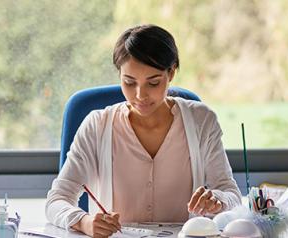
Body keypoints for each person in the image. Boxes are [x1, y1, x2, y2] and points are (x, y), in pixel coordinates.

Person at [46, 24, 241, 237]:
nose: (140, 95)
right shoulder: (97, 126)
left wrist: (217, 201)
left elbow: (231, 194)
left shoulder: (201, 120)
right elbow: (57, 200)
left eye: (153, 83)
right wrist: (84, 221)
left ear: (171, 72)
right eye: (129, 82)